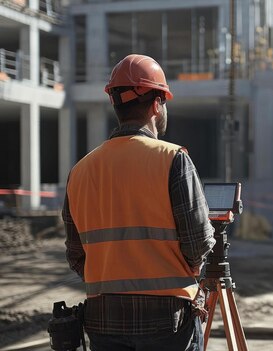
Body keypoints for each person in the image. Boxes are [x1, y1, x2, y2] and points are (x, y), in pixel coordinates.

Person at [62, 54, 215, 351]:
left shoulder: (80, 170)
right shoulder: (172, 159)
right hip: (166, 322)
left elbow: (75, 255)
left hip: (103, 320)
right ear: (157, 104)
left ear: (115, 104)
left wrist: (111, 281)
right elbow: (198, 242)